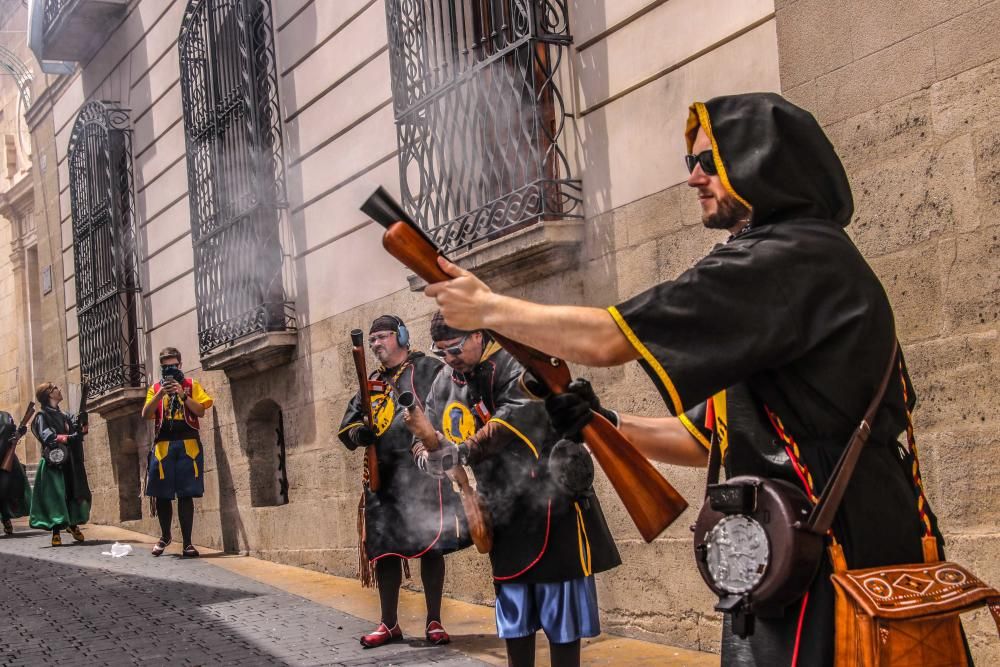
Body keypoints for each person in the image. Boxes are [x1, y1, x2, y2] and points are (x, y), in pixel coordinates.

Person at [419, 92, 951, 666]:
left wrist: (490, 308)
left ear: (763, 161)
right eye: (690, 162)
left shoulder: (789, 256)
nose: (694, 178)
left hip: (829, 540)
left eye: (709, 161)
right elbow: (700, 441)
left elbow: (606, 338)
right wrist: (602, 421)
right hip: (790, 545)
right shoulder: (790, 262)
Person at [416, 312, 620, 667]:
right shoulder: (444, 381)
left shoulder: (519, 361)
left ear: (478, 334)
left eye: (455, 349)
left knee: (562, 619)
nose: (449, 360)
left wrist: (460, 451)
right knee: (515, 616)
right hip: (502, 508)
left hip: (551, 501)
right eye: (441, 353)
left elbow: (510, 420)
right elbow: (425, 429)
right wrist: (425, 456)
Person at [338, 315, 469, 648]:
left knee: (430, 547)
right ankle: (389, 623)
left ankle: (434, 620)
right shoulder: (372, 381)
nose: (376, 344)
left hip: (422, 475)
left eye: (382, 336)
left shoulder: (429, 370)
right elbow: (348, 427)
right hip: (383, 479)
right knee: (385, 552)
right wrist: (359, 433)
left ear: (402, 336)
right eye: (372, 340)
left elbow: (451, 407)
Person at [141, 347, 214, 558]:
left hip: (188, 444)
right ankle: (165, 536)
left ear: (180, 365)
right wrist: (160, 394)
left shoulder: (191, 385)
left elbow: (200, 410)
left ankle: (188, 543)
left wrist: (183, 395)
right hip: (163, 445)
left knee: (186, 494)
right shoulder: (155, 388)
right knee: (162, 494)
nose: (170, 370)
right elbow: (146, 414)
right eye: (165, 367)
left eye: (173, 366)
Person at [29, 382, 91, 546]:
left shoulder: (65, 415)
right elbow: (48, 436)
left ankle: (73, 524)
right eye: (56, 388)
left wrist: (83, 423)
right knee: (57, 496)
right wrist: (69, 438)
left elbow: (80, 430)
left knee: (73, 491)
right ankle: (56, 531)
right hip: (54, 462)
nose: (60, 389)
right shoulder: (42, 416)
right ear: (49, 394)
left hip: (70, 460)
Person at [0, 411, 31, 535]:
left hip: (7, 458)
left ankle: (6, 518)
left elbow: (13, 433)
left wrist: (20, 432)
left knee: (7, 490)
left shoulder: (5, 416)